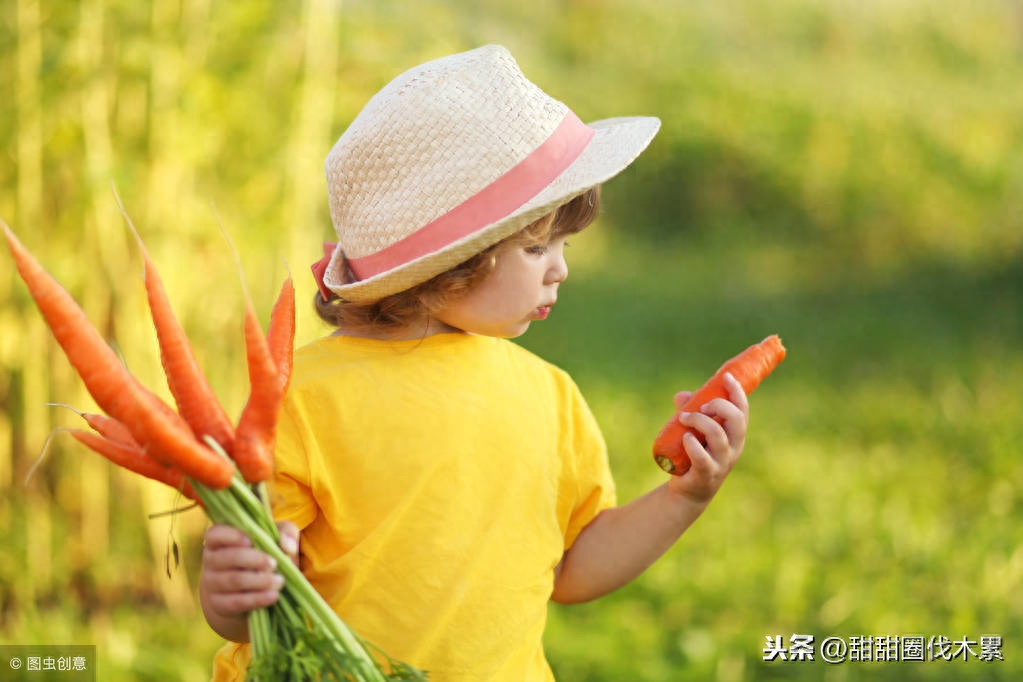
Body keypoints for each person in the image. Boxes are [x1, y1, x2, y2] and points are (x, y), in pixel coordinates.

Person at [199, 44, 749, 682]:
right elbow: (258, 605)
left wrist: (687, 495)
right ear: (452, 262)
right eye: (537, 245)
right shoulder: (303, 399)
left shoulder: (550, 397)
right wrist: (229, 595)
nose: (561, 269)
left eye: (564, 244)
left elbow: (573, 565)